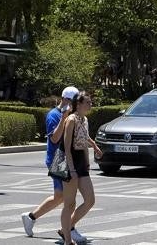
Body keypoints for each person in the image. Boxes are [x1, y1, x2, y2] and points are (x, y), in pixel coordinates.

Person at [22, 86, 86, 242]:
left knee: (61, 197)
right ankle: (69, 230)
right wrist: (64, 118)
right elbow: (55, 139)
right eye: (73, 101)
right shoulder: (54, 115)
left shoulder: (75, 115)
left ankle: (31, 217)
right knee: (67, 199)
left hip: (69, 159)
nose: (75, 104)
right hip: (58, 160)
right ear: (64, 99)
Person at [60, 91, 98, 245]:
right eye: (87, 102)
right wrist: (72, 170)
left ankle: (66, 228)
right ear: (79, 104)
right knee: (69, 203)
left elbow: (84, 136)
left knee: (90, 200)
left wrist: (94, 146)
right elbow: (67, 147)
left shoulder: (84, 119)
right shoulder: (71, 120)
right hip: (69, 162)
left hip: (81, 163)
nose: (90, 105)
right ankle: (67, 240)